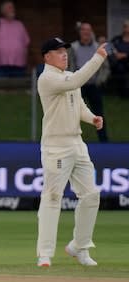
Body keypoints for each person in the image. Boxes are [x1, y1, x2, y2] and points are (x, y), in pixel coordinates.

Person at [36, 37, 108, 267]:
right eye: (58, 51)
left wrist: (91, 118)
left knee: (91, 195)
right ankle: (45, 253)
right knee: (53, 197)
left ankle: (79, 247)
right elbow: (77, 80)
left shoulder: (67, 78)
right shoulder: (47, 78)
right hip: (56, 147)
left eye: (65, 50)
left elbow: (77, 104)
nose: (64, 54)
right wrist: (97, 58)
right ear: (47, 56)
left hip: (77, 143)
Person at [68, 22, 110, 142]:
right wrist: (71, 80)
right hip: (77, 85)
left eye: (88, 30)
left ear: (91, 32)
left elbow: (105, 67)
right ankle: (71, 139)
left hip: (93, 85)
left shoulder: (98, 47)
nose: (86, 32)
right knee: (73, 112)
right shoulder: (73, 47)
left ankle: (104, 140)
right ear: (80, 32)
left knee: (98, 112)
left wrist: (99, 81)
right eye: (83, 30)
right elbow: (69, 65)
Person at [0, 1, 30, 77]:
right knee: (2, 87)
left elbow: (25, 44)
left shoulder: (19, 24)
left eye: (13, 7)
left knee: (18, 87)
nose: (12, 9)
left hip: (19, 64)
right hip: (1, 64)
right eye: (9, 7)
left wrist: (25, 61)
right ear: (3, 11)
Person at [109, 20, 129, 98]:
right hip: (117, 63)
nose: (126, 29)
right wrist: (115, 54)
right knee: (120, 68)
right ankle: (121, 93)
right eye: (125, 27)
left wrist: (125, 55)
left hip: (127, 62)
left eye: (128, 27)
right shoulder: (116, 39)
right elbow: (108, 47)